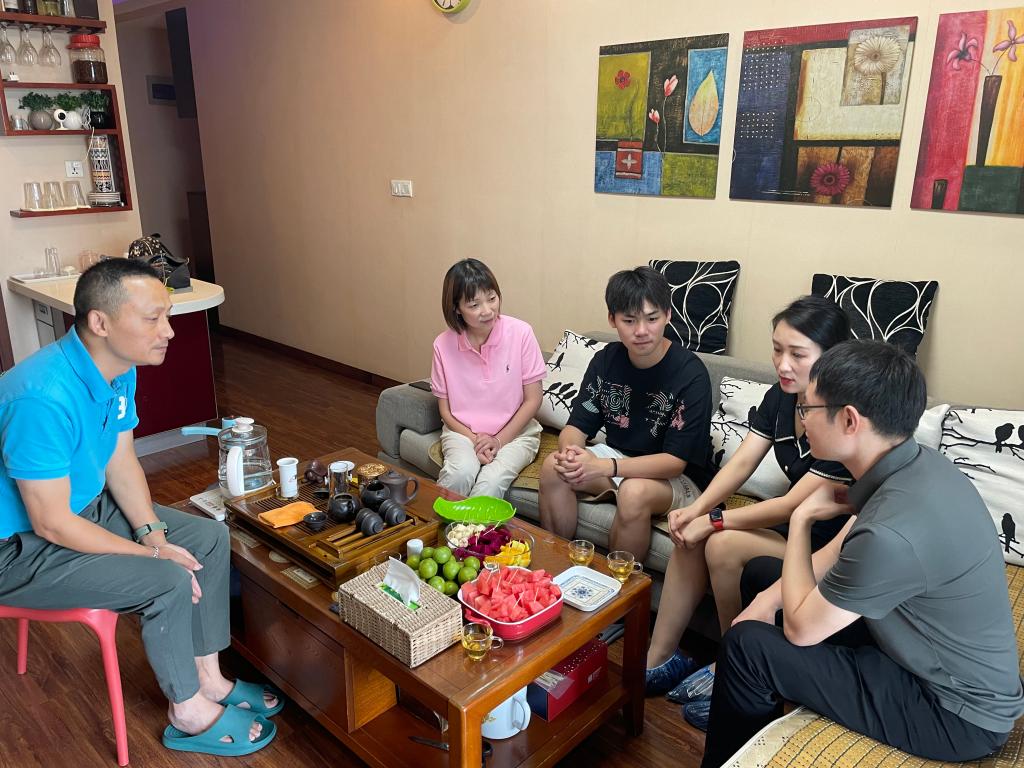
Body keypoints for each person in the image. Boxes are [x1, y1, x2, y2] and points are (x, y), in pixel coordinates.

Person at [0, 259, 280, 757]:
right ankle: (186, 709)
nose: (168, 331)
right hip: (18, 549)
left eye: (166, 316)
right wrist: (154, 556)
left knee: (207, 537)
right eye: (153, 318)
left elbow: (120, 459)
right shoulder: (40, 398)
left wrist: (153, 533)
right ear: (100, 322)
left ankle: (208, 678)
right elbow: (51, 523)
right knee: (166, 578)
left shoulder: (117, 369)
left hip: (85, 509)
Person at [701, 340, 1024, 768]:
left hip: (952, 714)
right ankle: (761, 707)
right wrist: (765, 599)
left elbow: (801, 630)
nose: (802, 418)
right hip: (917, 652)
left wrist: (801, 520)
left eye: (808, 408)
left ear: (849, 420)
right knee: (762, 574)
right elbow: (837, 552)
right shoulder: (912, 465)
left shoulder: (892, 531)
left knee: (746, 647)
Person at [644, 296, 852, 730]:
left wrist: (715, 519)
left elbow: (794, 504)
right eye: (777, 349)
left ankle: (734, 666)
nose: (783, 364)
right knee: (692, 534)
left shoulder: (844, 418)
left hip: (828, 550)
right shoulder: (783, 396)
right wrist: (696, 509)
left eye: (797, 354)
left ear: (831, 357)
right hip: (792, 533)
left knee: (719, 541)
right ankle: (658, 658)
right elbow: (740, 464)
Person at [539, 266, 713, 562]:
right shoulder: (606, 360)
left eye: (652, 319)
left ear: (668, 315)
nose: (641, 331)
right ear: (612, 319)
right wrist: (570, 454)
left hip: (678, 479)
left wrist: (605, 467)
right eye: (629, 321)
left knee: (633, 492)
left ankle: (619, 586)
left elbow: (674, 462)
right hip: (620, 460)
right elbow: (576, 427)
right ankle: (557, 567)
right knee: (554, 468)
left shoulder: (691, 373)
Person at [431, 258, 546, 499]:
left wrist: (498, 440)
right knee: (459, 474)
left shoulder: (521, 333)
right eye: (474, 304)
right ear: (456, 308)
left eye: (492, 298)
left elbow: (533, 400)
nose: (487, 310)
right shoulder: (443, 345)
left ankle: (475, 528)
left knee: (490, 483)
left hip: (517, 433)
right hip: (462, 434)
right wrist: (476, 440)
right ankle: (438, 525)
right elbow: (445, 411)